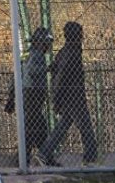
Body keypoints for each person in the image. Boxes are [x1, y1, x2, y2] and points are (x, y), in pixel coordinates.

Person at [36, 21, 97, 166]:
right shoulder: (72, 53)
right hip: (74, 97)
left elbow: (55, 71)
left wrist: (58, 98)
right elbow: (61, 76)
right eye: (80, 33)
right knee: (86, 127)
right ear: (76, 35)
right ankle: (90, 159)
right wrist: (57, 99)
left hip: (69, 96)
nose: (82, 36)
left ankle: (44, 153)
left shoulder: (65, 51)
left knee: (63, 126)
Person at [5, 27, 53, 165]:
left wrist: (11, 96)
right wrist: (48, 68)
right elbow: (32, 70)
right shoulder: (37, 55)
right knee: (35, 126)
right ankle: (25, 159)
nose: (47, 46)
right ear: (40, 42)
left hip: (26, 93)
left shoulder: (26, 54)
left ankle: (42, 157)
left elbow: (17, 74)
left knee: (36, 126)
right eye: (46, 43)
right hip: (33, 93)